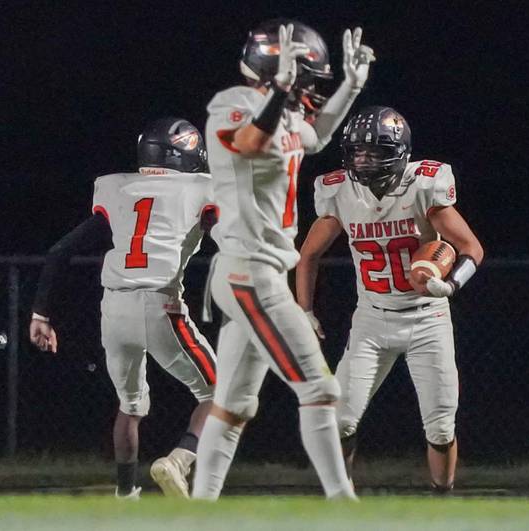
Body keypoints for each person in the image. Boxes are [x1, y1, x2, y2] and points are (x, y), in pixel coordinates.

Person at [191, 19, 374, 500]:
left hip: (257, 271)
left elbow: (317, 136)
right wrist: (280, 92)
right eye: (306, 80)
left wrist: (351, 88)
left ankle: (196, 509)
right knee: (320, 388)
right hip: (248, 272)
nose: (311, 91)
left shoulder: (287, 114)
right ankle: (343, 503)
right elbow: (250, 143)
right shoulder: (231, 106)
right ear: (277, 72)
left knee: (233, 407)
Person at [296, 106, 484, 492]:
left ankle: (442, 498)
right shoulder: (340, 191)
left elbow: (471, 248)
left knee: (441, 425)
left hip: (427, 317)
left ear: (399, 152)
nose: (363, 160)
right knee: (340, 420)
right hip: (372, 319)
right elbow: (308, 255)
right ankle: (340, 499)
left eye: (375, 152)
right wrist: (305, 310)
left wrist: (450, 286)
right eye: (358, 151)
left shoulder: (422, 186)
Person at [29, 117, 218, 499]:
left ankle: (125, 494)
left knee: (130, 405)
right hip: (160, 304)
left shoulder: (118, 188)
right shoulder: (200, 188)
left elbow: (60, 251)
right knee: (222, 394)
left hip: (113, 310)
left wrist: (40, 314)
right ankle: (178, 461)